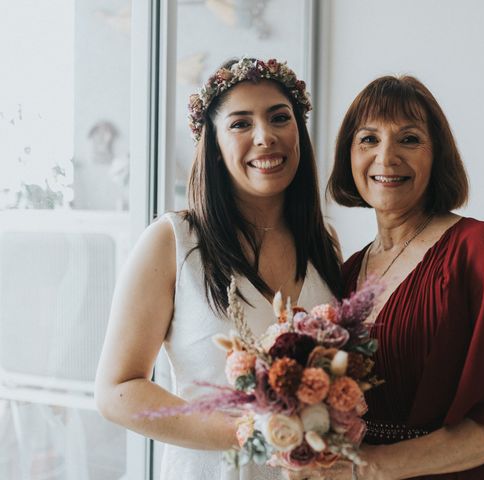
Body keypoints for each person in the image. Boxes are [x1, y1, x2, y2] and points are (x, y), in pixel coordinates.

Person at [94, 57, 342, 480]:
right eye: (240, 124)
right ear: (213, 143)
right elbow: (117, 391)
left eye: (280, 118)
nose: (265, 137)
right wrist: (254, 433)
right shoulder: (173, 241)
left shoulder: (323, 245)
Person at [325, 75, 484, 479]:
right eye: (368, 139)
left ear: (437, 155)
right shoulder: (345, 274)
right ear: (347, 154)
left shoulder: (482, 248)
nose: (386, 157)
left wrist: (372, 467)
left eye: (409, 139)